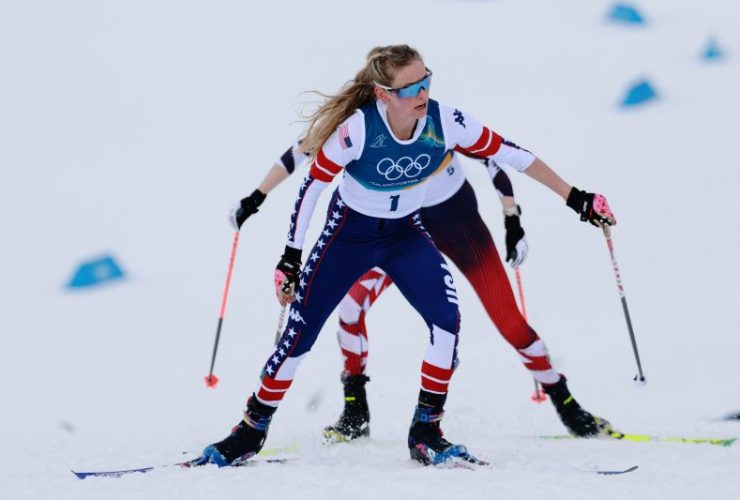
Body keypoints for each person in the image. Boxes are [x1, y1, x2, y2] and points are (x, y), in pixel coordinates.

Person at [199, 44, 616, 468]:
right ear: (383, 93)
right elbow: (309, 174)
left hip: (427, 227)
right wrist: (279, 236)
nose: (423, 93)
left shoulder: (444, 120)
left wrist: (569, 200)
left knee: (462, 320)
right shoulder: (357, 129)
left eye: (426, 81)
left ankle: (433, 431)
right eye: (411, 87)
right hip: (356, 234)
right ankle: (272, 426)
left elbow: (505, 155)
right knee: (318, 325)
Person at [233, 144, 613, 444]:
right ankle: (355, 410)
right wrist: (255, 197)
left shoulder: (433, 120)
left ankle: (565, 403)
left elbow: (494, 156)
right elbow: (304, 149)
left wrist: (512, 217)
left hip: (456, 220)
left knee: (509, 321)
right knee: (351, 309)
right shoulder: (368, 124)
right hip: (402, 229)